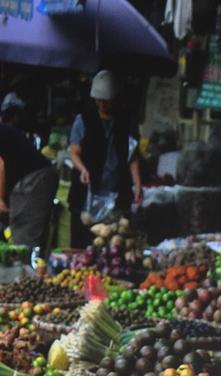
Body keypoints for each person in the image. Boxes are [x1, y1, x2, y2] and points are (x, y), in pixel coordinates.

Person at [68, 72, 142, 245]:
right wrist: (82, 169)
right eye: (99, 101)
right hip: (87, 194)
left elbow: (132, 156)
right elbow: (74, 152)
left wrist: (137, 184)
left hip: (116, 193)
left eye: (106, 101)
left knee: (115, 240)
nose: (102, 105)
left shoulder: (125, 120)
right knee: (83, 240)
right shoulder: (84, 120)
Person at [0, 93, 58, 252]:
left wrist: (0, 200)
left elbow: (0, 163)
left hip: (34, 180)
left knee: (22, 243)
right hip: (34, 178)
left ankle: (24, 275)